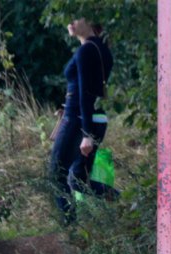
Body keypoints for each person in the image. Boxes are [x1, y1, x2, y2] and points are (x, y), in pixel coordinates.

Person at [49, 17, 113, 223]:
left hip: (79, 119)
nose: (69, 22)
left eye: (74, 17)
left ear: (89, 20)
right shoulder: (103, 49)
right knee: (78, 179)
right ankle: (126, 201)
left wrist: (86, 134)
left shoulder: (86, 50)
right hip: (96, 118)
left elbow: (86, 93)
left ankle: (70, 229)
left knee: (57, 175)